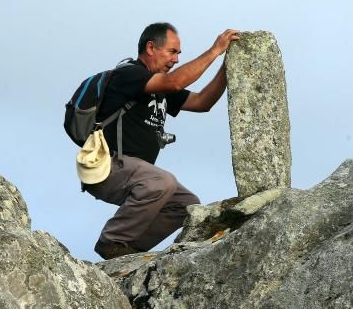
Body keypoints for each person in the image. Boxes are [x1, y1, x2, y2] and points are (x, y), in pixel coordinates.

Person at [84, 23, 240, 260]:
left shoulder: (162, 84)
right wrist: (214, 50)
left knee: (186, 205)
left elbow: (201, 102)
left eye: (178, 54)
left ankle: (128, 251)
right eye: (172, 51)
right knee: (162, 181)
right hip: (108, 165)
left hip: (137, 174)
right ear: (150, 47)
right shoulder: (129, 74)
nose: (176, 59)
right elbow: (176, 82)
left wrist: (226, 68)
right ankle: (112, 240)